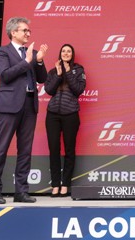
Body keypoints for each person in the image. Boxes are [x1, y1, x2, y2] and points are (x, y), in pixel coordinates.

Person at [0, 17, 48, 204]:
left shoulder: (33, 52)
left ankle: (21, 192)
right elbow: (5, 75)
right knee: (1, 148)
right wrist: (27, 61)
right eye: (24, 30)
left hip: (30, 105)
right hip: (8, 105)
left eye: (29, 31)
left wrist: (38, 61)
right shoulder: (2, 51)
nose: (28, 34)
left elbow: (42, 78)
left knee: (25, 150)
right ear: (13, 32)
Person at [44, 44, 87, 197]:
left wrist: (68, 72)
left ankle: (65, 185)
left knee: (69, 150)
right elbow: (49, 90)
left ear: (72, 54)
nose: (66, 53)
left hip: (71, 115)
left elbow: (78, 90)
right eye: (63, 51)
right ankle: (55, 185)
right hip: (52, 115)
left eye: (69, 51)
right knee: (54, 149)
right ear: (60, 53)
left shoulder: (79, 70)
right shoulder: (53, 71)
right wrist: (58, 74)